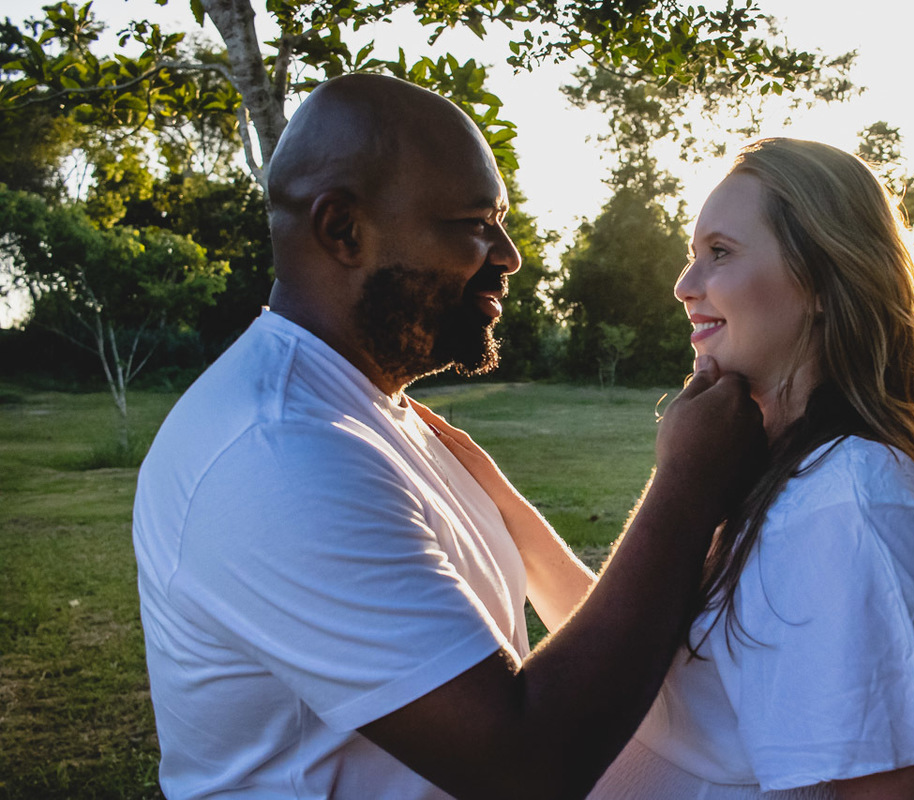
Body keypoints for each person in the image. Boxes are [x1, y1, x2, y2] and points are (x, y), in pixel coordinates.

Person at [131, 74, 765, 800]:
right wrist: (684, 493)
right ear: (344, 230)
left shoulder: (373, 412)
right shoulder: (276, 453)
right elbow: (524, 765)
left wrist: (503, 500)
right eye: (474, 223)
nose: (509, 254)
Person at [436, 138, 914, 799]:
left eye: (719, 254)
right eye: (691, 255)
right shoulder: (778, 474)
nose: (683, 286)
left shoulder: (852, 497)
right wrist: (500, 500)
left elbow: (891, 790)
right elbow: (661, 682)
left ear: (820, 280)